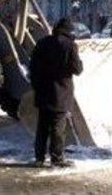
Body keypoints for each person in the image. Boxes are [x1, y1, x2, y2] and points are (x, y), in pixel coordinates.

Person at [29, 17, 84, 167]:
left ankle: (39, 158)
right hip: (60, 93)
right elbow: (77, 69)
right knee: (58, 128)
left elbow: (32, 67)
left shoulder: (42, 43)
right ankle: (57, 159)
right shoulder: (70, 46)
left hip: (42, 91)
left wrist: (36, 85)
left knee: (42, 127)